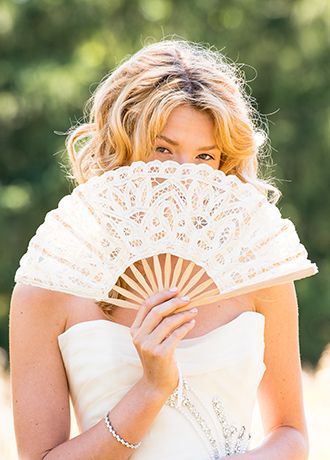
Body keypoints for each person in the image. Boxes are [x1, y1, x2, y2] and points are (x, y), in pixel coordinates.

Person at [9, 39, 309, 459]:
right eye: (162, 149)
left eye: (205, 155)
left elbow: (291, 434)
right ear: (120, 148)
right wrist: (151, 389)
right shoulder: (49, 290)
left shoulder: (256, 274)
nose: (183, 176)